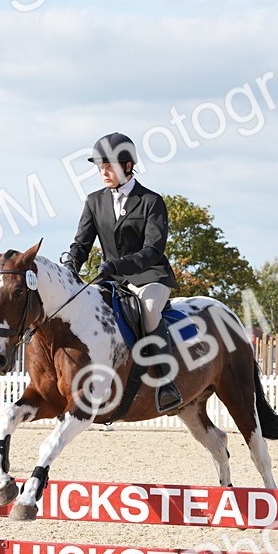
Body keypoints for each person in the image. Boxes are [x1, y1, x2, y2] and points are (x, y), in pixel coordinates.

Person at [61, 132, 183, 413]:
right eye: (100, 166)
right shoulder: (94, 201)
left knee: (149, 310)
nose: (104, 171)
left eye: (110, 166)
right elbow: (81, 243)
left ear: (127, 166)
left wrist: (119, 265)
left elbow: (153, 249)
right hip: (111, 279)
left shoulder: (152, 201)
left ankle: (166, 384)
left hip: (149, 276)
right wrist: (70, 269)